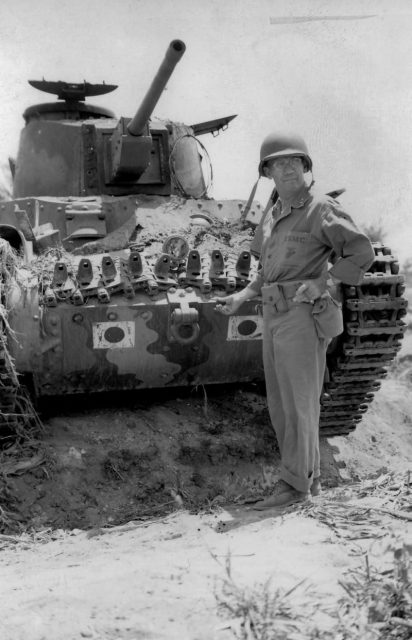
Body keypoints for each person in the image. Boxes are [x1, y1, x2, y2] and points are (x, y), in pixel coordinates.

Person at [215, 132, 375, 509]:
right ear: (267, 172)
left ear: (305, 167)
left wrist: (325, 281)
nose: (286, 168)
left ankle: (294, 488)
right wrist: (241, 296)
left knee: (299, 404)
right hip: (273, 314)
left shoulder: (321, 209)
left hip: (303, 316)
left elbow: (361, 251)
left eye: (293, 162)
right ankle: (308, 480)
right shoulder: (273, 215)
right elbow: (265, 270)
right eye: (277, 163)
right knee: (282, 405)